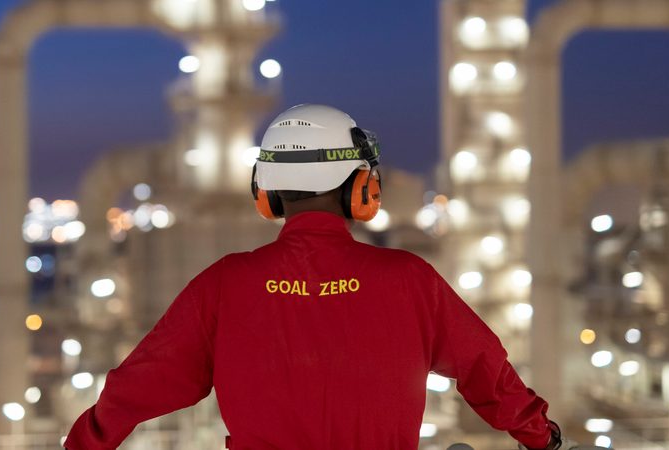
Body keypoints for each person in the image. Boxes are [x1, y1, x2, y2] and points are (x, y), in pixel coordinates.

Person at [64, 104, 564, 450]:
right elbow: (486, 369)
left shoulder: (226, 283)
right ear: (360, 189)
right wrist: (541, 436)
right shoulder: (409, 278)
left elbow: (140, 383)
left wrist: (86, 441)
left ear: (268, 192)